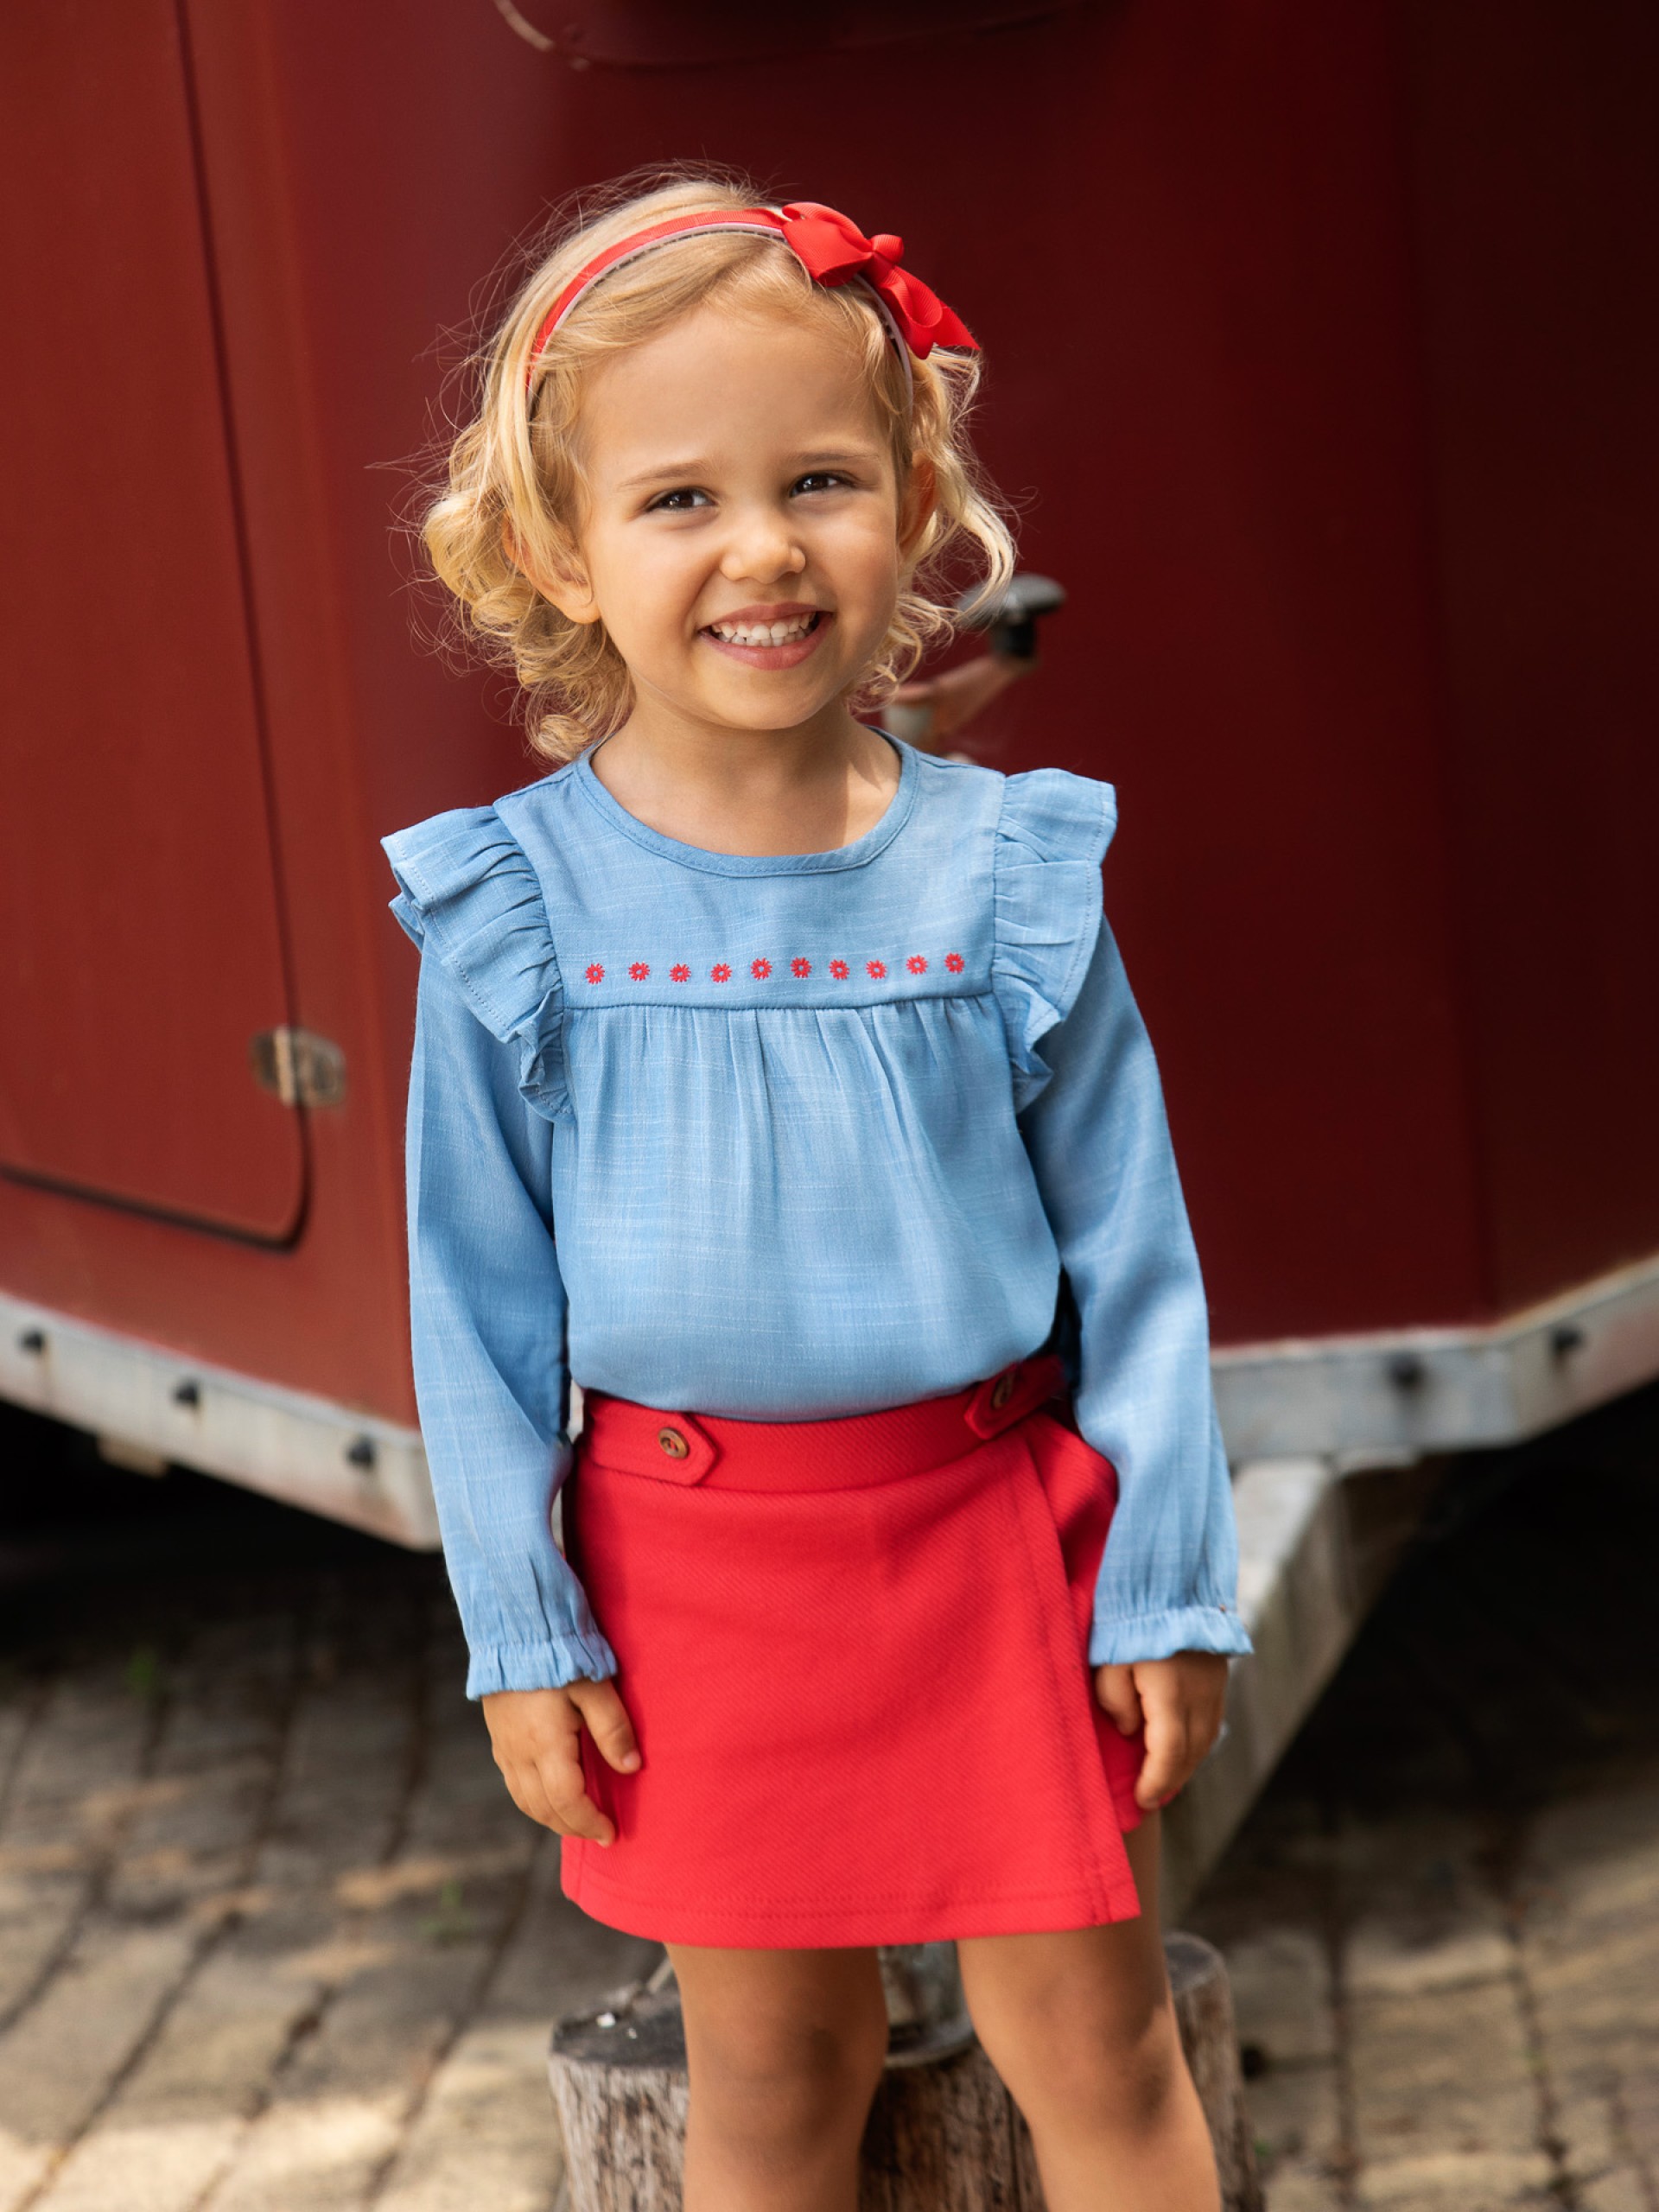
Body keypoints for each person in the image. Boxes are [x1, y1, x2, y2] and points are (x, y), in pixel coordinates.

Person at [384, 172, 1251, 2212]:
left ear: (916, 498)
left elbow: (1138, 1259)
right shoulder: (518, 910)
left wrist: (1166, 1576)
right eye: (678, 497)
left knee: (1101, 2051)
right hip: (696, 1586)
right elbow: (474, 1302)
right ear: (557, 549)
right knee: (775, 2074)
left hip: (993, 1549)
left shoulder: (1008, 875)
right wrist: (522, 1624)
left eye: (825, 480)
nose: (763, 547)